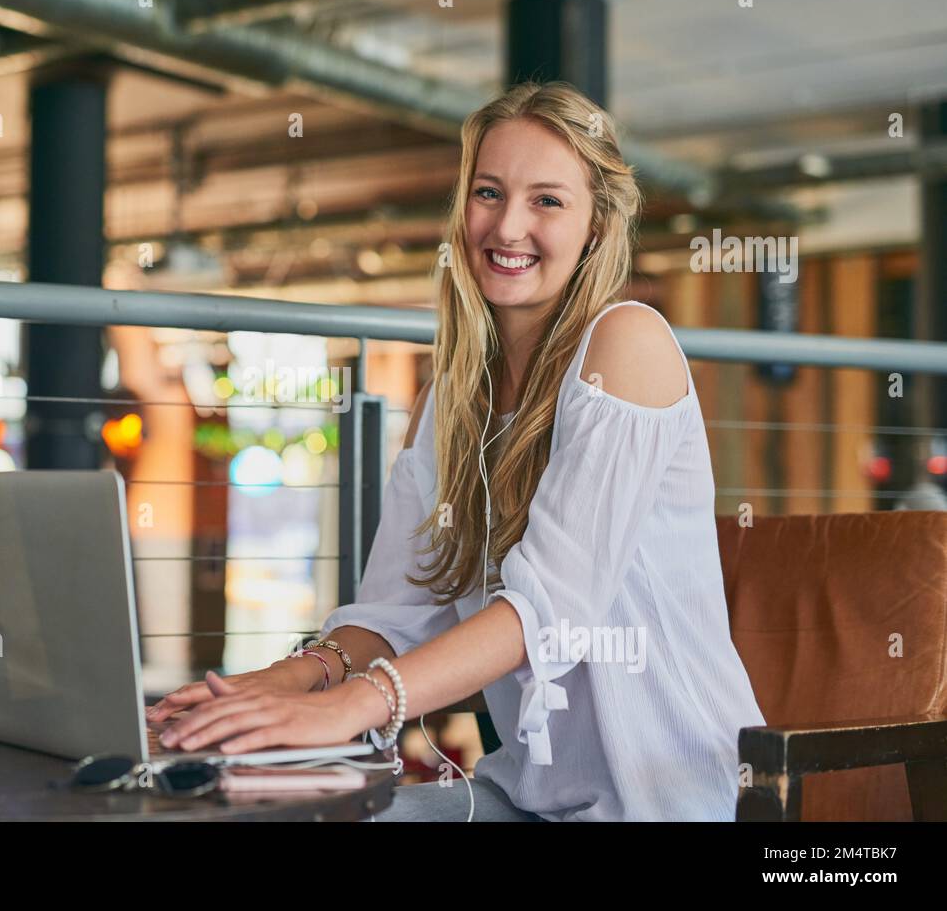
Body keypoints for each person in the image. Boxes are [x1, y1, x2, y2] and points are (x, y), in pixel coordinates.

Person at [148, 81, 766, 821]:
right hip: (530, 796)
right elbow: (395, 607)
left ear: (597, 227)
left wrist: (352, 705)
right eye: (489, 192)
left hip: (669, 802)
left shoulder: (628, 343)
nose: (508, 226)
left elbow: (546, 614)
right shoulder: (450, 397)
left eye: (547, 200)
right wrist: (288, 680)